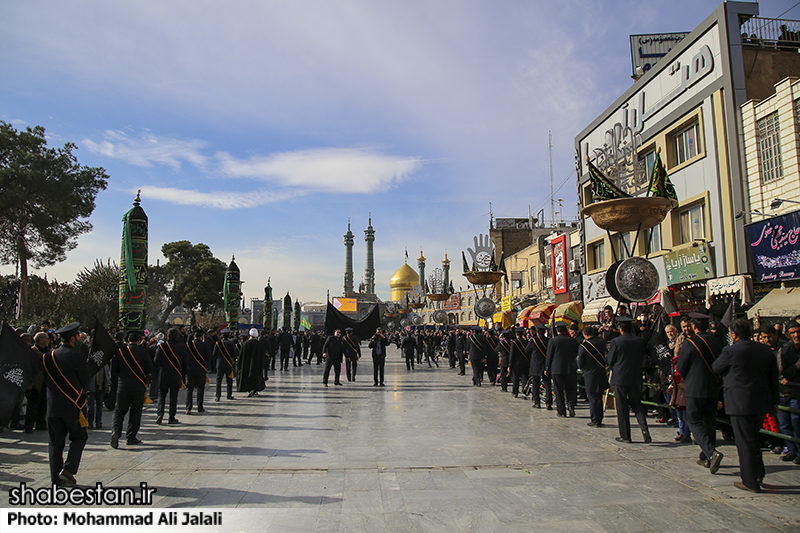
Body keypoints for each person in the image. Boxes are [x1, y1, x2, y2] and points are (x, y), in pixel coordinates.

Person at [712, 319, 779, 493]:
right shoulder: (765, 350)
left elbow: (716, 367)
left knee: (744, 442)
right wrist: (775, 402)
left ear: (734, 334)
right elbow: (773, 378)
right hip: (761, 401)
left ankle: (750, 481)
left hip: (739, 403)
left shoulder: (730, 351)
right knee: (754, 439)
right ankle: (758, 473)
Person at [42, 322, 91, 486]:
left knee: (55, 444)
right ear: (72, 338)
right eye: (78, 336)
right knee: (79, 437)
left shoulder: (48, 357)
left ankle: (56, 478)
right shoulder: (77, 357)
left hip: (53, 407)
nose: (79, 338)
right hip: (73, 406)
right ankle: (69, 469)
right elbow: (86, 381)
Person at [676, 314, 723, 470]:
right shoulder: (717, 342)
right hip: (713, 386)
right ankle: (706, 457)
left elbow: (681, 366)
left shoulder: (690, 343)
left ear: (694, 327)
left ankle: (711, 453)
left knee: (695, 422)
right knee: (710, 422)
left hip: (695, 388)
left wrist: (689, 378)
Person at [607, 317, 651, 444]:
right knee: (637, 404)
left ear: (620, 329)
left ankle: (625, 435)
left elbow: (610, 360)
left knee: (622, 407)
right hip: (635, 377)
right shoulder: (639, 341)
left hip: (620, 378)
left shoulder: (616, 341)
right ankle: (644, 429)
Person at [110, 330, 153, 448]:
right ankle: (131, 437)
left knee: (119, 410)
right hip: (138, 386)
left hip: (123, 385)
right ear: (139, 341)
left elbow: (114, 370)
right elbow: (149, 368)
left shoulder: (120, 352)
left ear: (128, 340)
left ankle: (116, 432)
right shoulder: (143, 352)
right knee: (135, 412)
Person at [545, 322, 579, 418]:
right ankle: (571, 406)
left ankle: (561, 411)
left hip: (557, 369)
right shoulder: (573, 341)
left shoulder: (553, 341)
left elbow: (549, 355)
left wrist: (547, 368)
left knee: (559, 390)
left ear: (557, 330)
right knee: (570, 389)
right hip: (570, 368)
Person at [577, 325, 608, 427]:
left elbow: (580, 361)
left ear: (584, 334)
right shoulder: (601, 342)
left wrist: (581, 367)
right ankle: (600, 418)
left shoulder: (584, 345)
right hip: (601, 371)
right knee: (599, 396)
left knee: (592, 397)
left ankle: (595, 419)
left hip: (590, 373)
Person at [153, 328, 187, 425]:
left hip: (164, 374)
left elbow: (156, 361)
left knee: (161, 395)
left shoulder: (162, 346)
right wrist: (183, 374)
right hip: (176, 374)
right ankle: (171, 417)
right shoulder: (181, 346)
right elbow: (185, 362)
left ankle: (160, 413)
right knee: (173, 396)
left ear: (167, 336)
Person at [778, 322, 800, 464]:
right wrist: (797, 366)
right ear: (788, 334)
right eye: (793, 332)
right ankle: (791, 450)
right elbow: (783, 373)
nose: (796, 335)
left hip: (797, 393)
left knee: (796, 422)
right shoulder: (785, 350)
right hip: (785, 392)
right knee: (785, 424)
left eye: (798, 331)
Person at [26, 332, 50, 433]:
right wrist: (29, 384)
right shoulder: (32, 352)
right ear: (41, 340)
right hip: (35, 383)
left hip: (45, 382)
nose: (48, 340)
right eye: (47, 338)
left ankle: (41, 423)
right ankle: (29, 426)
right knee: (33, 405)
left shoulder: (47, 352)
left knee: (43, 404)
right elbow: (28, 368)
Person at [185, 330, 211, 414]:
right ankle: (200, 407)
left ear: (194, 337)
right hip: (201, 369)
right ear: (201, 337)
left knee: (189, 389)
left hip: (190, 369)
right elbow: (208, 357)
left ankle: (188, 407)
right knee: (200, 389)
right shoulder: (204, 345)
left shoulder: (188, 345)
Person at [527, 324, 551, 409]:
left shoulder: (533, 340)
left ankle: (537, 402)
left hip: (535, 365)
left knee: (536, 384)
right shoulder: (548, 340)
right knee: (547, 384)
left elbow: (527, 350)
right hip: (545, 364)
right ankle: (549, 403)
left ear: (537, 332)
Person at [238, 328, 266, 397]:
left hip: (247, 364)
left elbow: (242, 356)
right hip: (257, 364)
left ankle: (250, 389)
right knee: (256, 376)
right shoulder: (260, 344)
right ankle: (255, 389)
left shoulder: (246, 344)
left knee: (248, 376)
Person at [213, 328, 237, 401]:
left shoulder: (218, 343)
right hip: (228, 364)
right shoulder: (231, 343)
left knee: (218, 381)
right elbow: (234, 354)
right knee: (229, 380)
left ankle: (218, 396)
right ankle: (229, 395)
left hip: (219, 364)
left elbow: (214, 354)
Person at [509, 328, 530, 398]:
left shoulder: (514, 343)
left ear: (516, 334)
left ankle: (515, 392)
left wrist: (510, 365)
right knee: (524, 378)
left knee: (515, 378)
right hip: (525, 363)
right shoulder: (526, 342)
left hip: (516, 364)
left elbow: (512, 355)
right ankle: (524, 392)